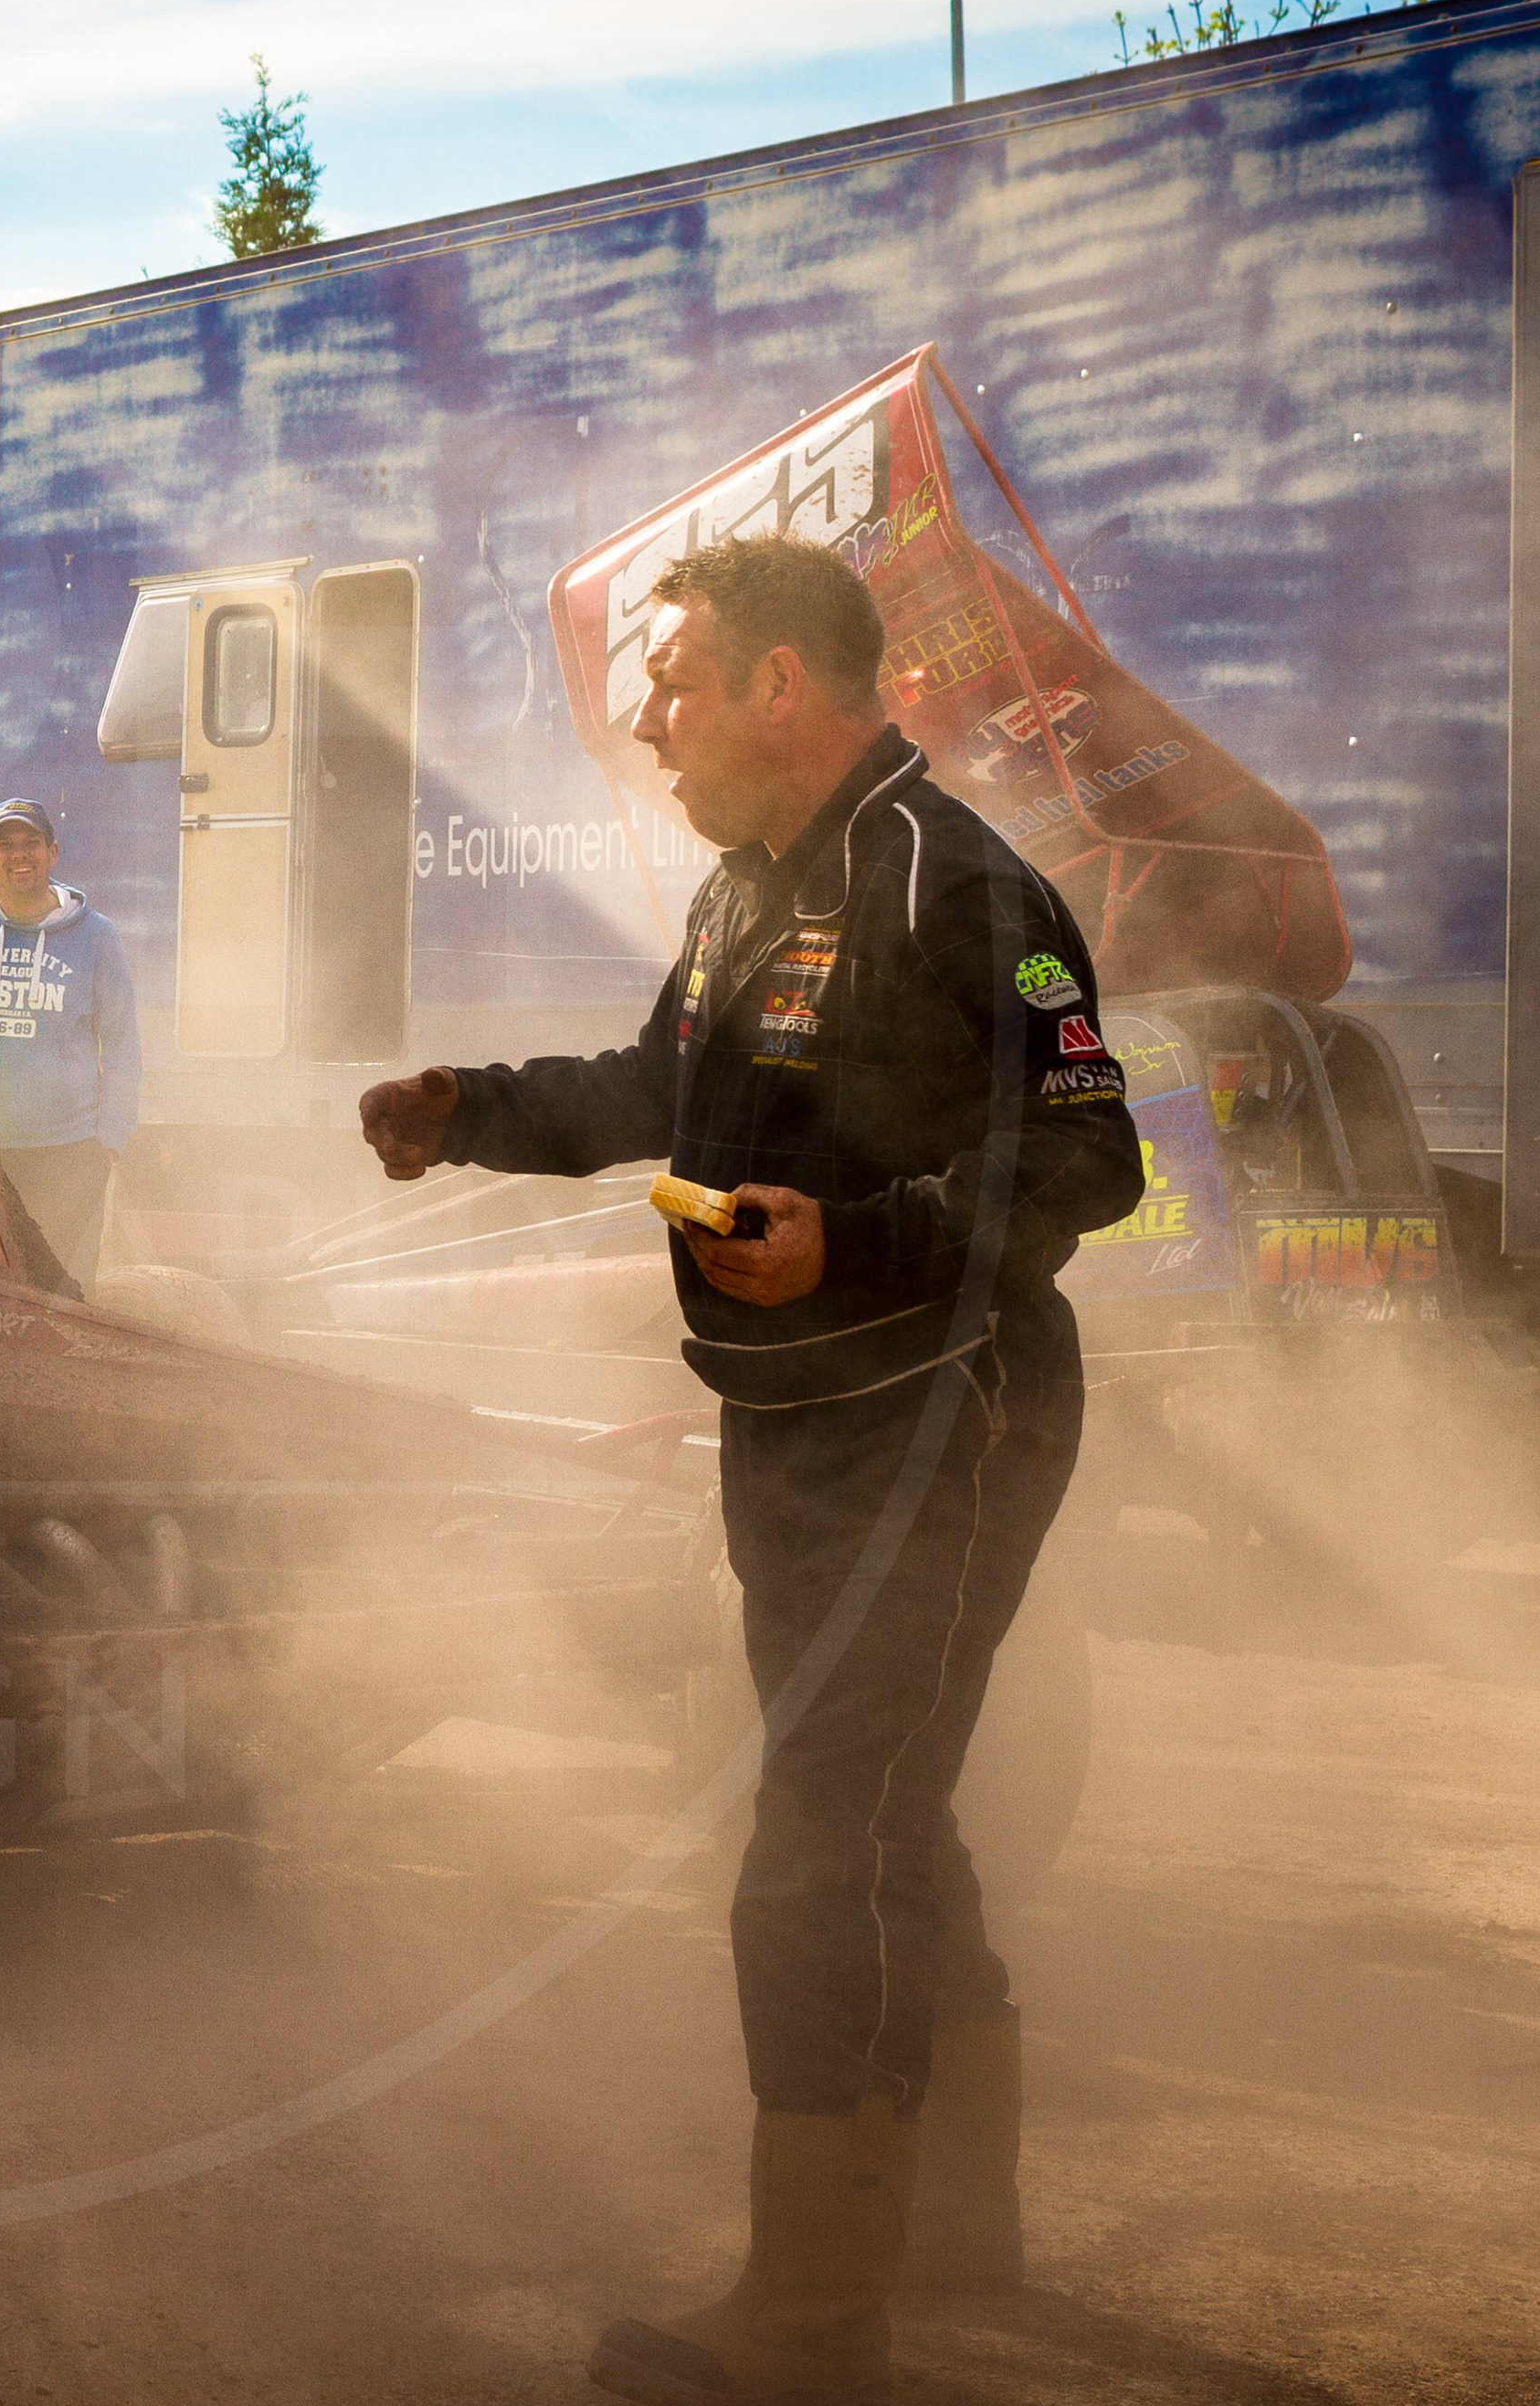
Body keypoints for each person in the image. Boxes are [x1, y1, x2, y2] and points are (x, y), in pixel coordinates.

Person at [357, 536, 1144, 2406]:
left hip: (948, 1406)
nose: (647, 717)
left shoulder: (964, 883)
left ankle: (815, 2319)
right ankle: (955, 2225)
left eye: (676, 679)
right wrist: (470, 1112)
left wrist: (851, 1245)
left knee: (817, 1846)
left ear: (783, 686)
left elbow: (1093, 1161)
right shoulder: (743, 891)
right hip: (800, 1414)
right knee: (879, 1810)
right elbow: (658, 1094)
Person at [0, 797, 141, 1286]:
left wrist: (111, 1138)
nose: (19, 855)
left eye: (31, 844)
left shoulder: (96, 936)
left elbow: (123, 1043)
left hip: (69, 1149)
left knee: (66, 1290)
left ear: (53, 853)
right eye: (5, 845)